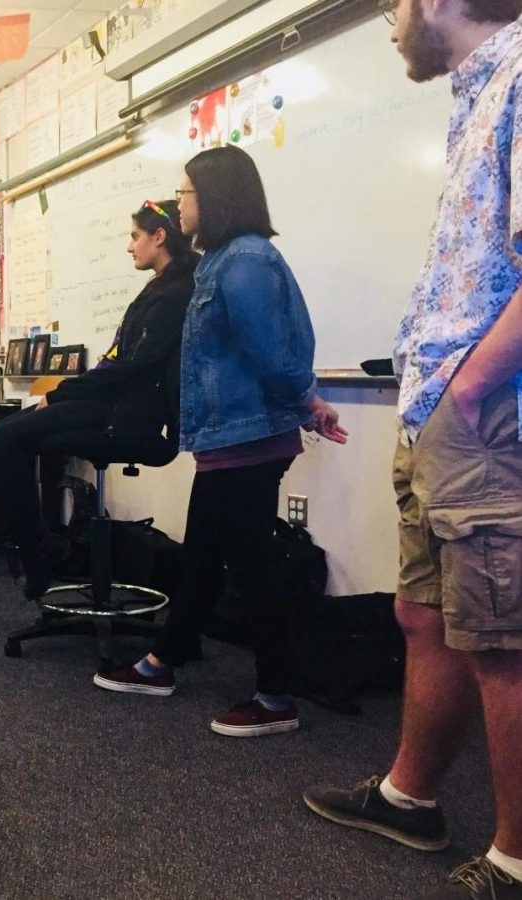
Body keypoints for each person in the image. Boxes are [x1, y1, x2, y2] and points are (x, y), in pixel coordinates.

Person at [303, 2, 522, 898]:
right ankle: (409, 796)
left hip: (485, 417)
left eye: (393, 4)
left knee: (503, 638)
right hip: (442, 410)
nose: (390, 22)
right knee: (425, 615)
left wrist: (470, 393)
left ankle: (515, 861)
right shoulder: (479, 91)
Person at [93, 146, 347, 737]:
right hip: (227, 437)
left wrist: (308, 402)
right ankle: (164, 661)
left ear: (215, 197)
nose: (177, 204)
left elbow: (273, 353)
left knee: (250, 569)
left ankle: (276, 695)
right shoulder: (219, 261)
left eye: (184, 193)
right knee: (202, 558)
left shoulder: (247, 263)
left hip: (250, 437)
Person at [0, 199, 199, 599]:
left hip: (130, 414)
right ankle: (37, 544)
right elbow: (120, 363)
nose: (130, 247)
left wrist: (61, 394)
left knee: (2, 440)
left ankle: (42, 549)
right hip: (113, 401)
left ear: (160, 237)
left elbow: (133, 369)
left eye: (135, 237)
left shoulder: (174, 295)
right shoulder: (159, 288)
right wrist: (64, 395)